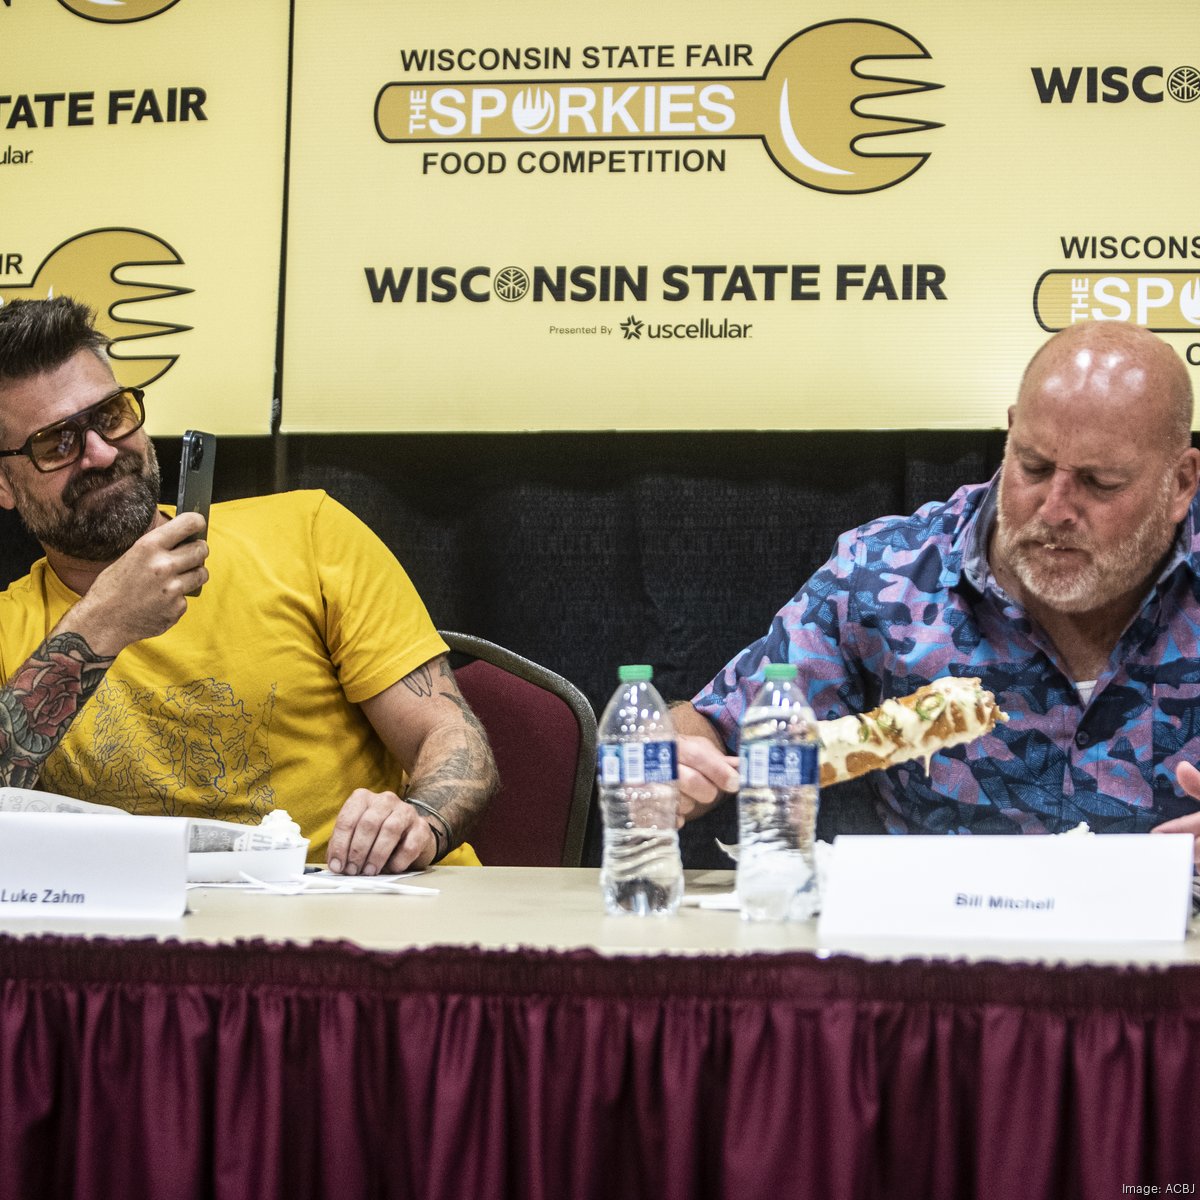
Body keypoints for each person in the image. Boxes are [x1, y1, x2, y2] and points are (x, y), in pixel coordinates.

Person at [0, 296, 497, 873]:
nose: (102, 453)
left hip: (362, 901)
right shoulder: (12, 626)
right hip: (161, 936)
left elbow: (451, 737)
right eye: (56, 444)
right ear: (5, 486)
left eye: (110, 416)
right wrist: (102, 622)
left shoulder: (307, 533)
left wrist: (420, 820)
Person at [671, 320, 1200, 854]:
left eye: (1099, 483)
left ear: (1180, 483)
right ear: (1011, 434)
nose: (1055, 509)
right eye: (1033, 467)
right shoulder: (887, 575)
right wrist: (675, 754)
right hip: (942, 930)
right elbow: (717, 725)